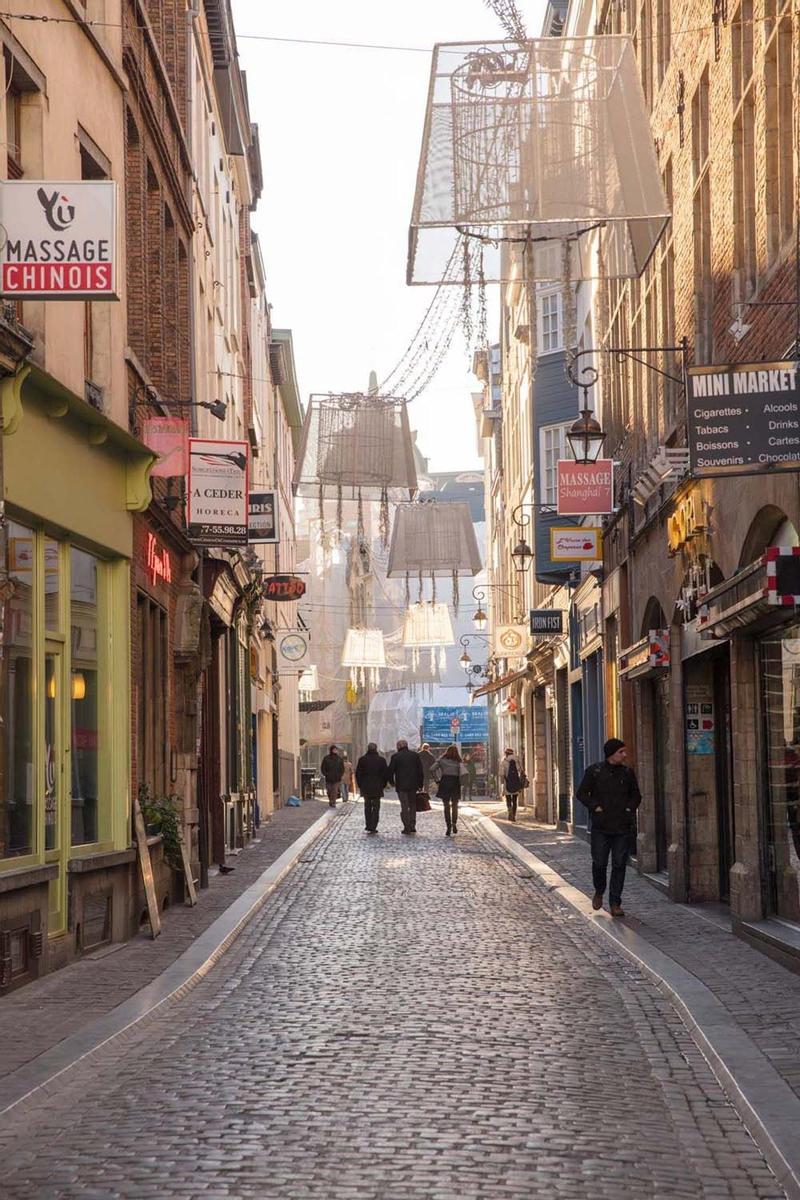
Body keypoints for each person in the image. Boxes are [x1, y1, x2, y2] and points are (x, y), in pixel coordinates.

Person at [577, 737, 642, 918]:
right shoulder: (595, 771)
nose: (625, 755)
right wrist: (595, 807)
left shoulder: (628, 773)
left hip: (622, 827)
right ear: (611, 754)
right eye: (621, 752)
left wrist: (629, 808)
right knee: (599, 862)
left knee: (619, 864)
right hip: (601, 827)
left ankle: (615, 902)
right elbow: (581, 793)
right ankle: (599, 890)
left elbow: (636, 796)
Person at [387, 739, 424, 834]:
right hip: (413, 785)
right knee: (412, 805)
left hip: (401, 785)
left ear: (399, 746)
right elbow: (420, 771)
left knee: (404, 806)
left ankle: (406, 826)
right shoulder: (415, 755)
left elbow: (390, 771)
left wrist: (392, 782)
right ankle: (412, 825)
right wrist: (420, 784)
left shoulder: (395, 756)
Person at [433, 744, 467, 836]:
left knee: (446, 805)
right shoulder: (458, 762)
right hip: (455, 783)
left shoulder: (442, 760)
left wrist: (437, 780)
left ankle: (448, 826)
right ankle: (454, 823)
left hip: (445, 782)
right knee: (455, 805)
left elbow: (432, 769)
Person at [355, 743, 389, 833]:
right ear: (376, 749)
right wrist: (383, 784)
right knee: (376, 807)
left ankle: (368, 825)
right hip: (378, 786)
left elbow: (358, 774)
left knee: (367, 806)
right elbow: (385, 774)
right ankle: (373, 825)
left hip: (365, 787)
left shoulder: (362, 760)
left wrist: (360, 785)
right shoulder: (381, 760)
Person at [500, 748, 523, 821]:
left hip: (508, 783)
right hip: (516, 782)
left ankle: (510, 812)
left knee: (508, 799)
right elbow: (521, 770)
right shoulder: (517, 759)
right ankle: (514, 815)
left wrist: (502, 783)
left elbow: (501, 773)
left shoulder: (503, 761)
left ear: (506, 753)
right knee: (515, 799)